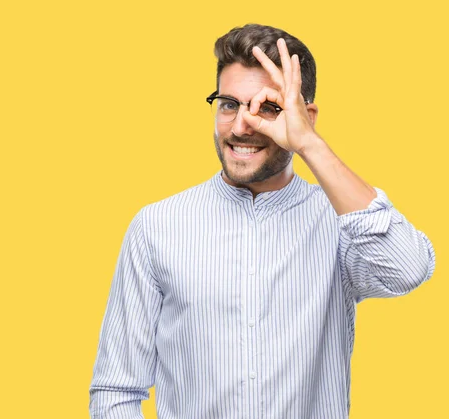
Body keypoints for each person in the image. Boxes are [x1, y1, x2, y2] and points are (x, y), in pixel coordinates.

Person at [89, 23, 436, 419]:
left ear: (304, 117)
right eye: (229, 104)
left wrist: (308, 144)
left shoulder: (340, 222)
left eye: (268, 107)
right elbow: (115, 390)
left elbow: (407, 269)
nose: (241, 126)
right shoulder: (156, 227)